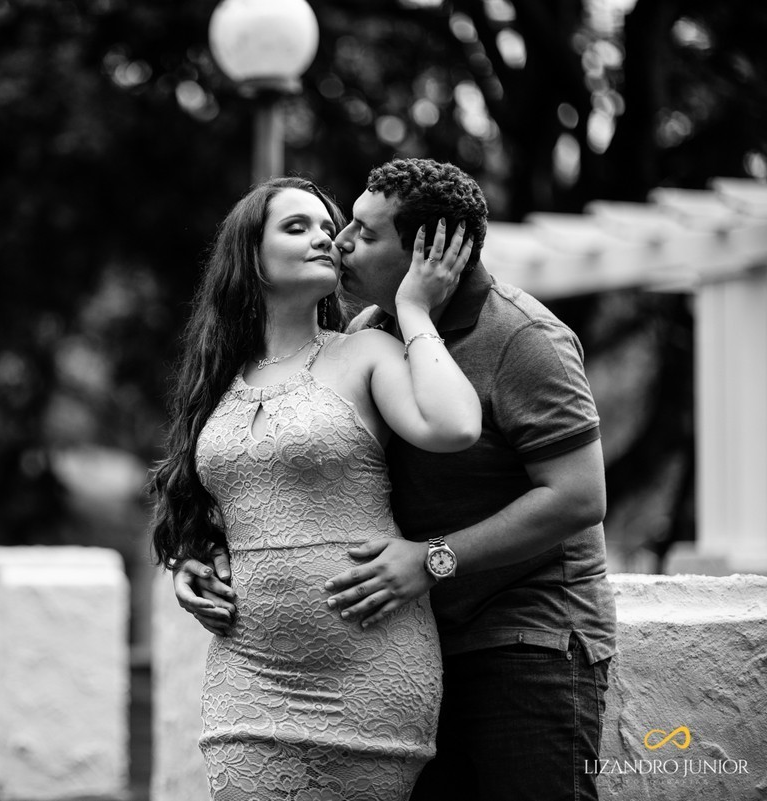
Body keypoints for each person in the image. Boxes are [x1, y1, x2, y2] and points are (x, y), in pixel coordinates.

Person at [173, 159, 617, 801]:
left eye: (362, 231)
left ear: (432, 251)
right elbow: (296, 477)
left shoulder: (527, 340)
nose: (341, 241)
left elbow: (580, 497)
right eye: (337, 224)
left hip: (525, 637)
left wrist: (432, 560)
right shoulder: (369, 330)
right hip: (410, 622)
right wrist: (207, 555)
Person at [150, 175, 481, 801]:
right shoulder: (216, 377)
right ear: (251, 256)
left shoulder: (368, 352)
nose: (325, 238)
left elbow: (455, 425)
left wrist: (414, 310)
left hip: (372, 666)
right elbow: (206, 501)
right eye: (296, 227)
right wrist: (187, 563)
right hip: (247, 671)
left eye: (327, 229)